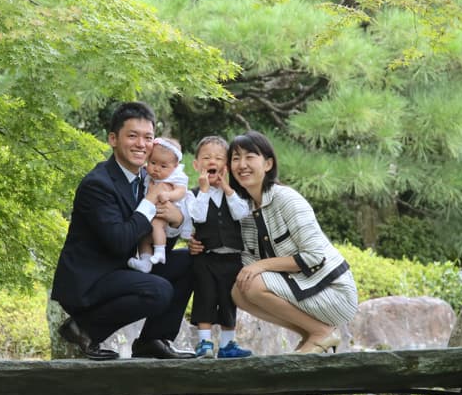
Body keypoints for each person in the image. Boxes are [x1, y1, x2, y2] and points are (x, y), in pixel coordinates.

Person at [50, 102, 197, 360]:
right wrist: (150, 202)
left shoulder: (148, 179)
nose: (141, 144)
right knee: (158, 290)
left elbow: (155, 240)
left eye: (148, 137)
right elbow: (119, 241)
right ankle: (83, 328)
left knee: (190, 261)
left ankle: (152, 340)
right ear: (113, 139)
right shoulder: (98, 184)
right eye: (132, 136)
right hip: (92, 279)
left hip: (125, 268)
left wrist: (176, 219)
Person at [227, 131, 358, 353]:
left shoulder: (286, 198)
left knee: (255, 283)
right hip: (300, 289)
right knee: (239, 292)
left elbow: (314, 256)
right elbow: (248, 261)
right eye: (235, 158)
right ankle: (311, 332)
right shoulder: (245, 211)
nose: (242, 164)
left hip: (332, 291)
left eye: (250, 156)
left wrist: (262, 265)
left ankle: (321, 333)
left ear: (268, 164)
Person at [187, 135, 253, 358]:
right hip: (206, 256)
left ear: (227, 165)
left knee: (228, 299)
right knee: (205, 296)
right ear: (197, 165)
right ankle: (204, 343)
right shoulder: (194, 194)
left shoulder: (237, 193)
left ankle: (227, 345)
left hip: (233, 258)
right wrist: (205, 190)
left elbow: (242, 214)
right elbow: (197, 216)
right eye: (206, 157)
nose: (212, 161)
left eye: (218, 157)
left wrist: (227, 188)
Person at [128, 137, 189, 272]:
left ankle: (160, 251)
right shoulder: (147, 175)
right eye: (153, 162)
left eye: (163, 166)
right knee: (144, 238)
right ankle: (145, 262)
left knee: (156, 225)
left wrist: (169, 195)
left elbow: (181, 191)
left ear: (175, 166)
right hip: (150, 213)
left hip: (165, 210)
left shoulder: (176, 176)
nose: (156, 169)